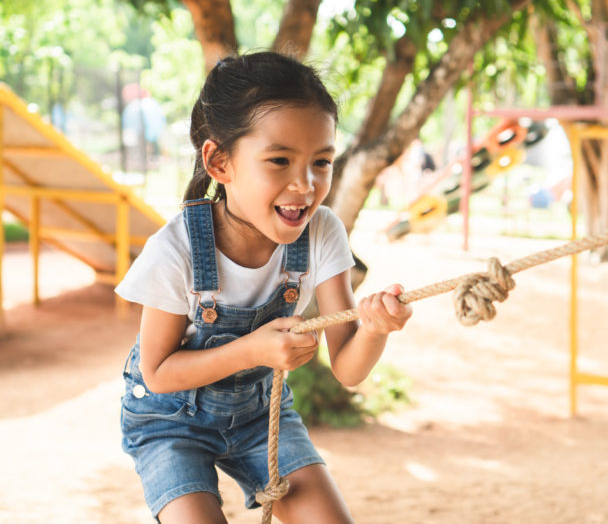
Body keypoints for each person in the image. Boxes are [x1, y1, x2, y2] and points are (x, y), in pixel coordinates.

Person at [115, 51, 413, 524]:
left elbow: (349, 369)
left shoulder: (322, 233)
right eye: (279, 160)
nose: (306, 184)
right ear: (218, 162)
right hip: (169, 423)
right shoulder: (176, 249)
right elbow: (158, 373)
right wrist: (253, 350)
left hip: (259, 417)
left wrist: (375, 330)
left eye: (321, 162)